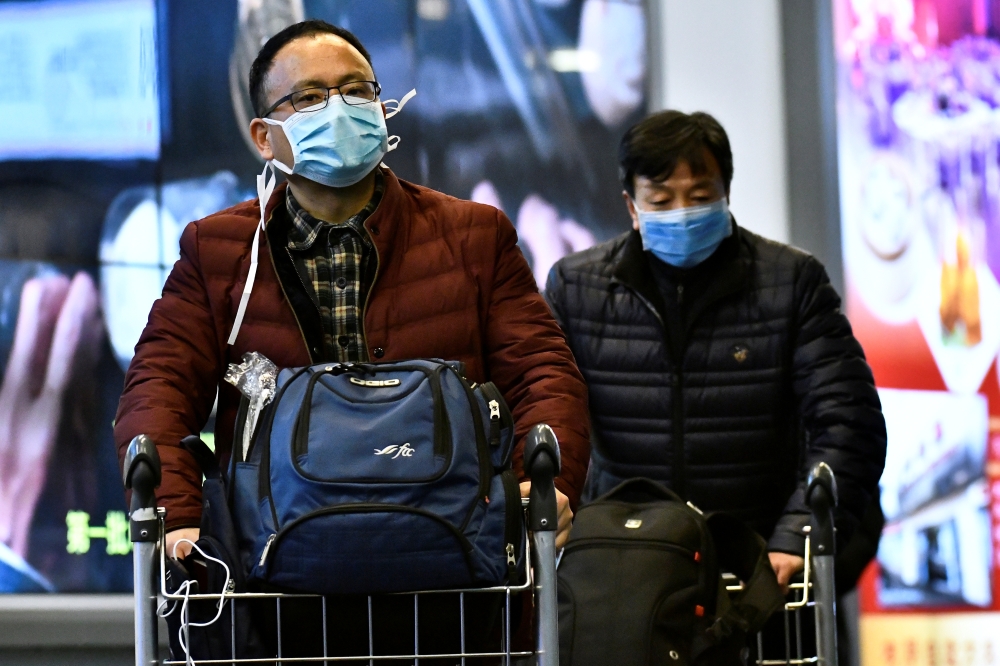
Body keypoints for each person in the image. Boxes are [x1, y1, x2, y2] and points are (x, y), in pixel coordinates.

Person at [114, 17, 587, 597]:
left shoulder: (473, 236)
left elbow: (543, 371)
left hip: (449, 570)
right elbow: (157, 390)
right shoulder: (219, 252)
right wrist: (177, 516)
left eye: (357, 90)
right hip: (277, 575)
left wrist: (547, 486)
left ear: (383, 107)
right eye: (309, 96)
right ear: (265, 136)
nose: (339, 108)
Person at [544, 110, 886, 592]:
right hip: (627, 575)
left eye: (700, 197)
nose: (682, 213)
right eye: (661, 200)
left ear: (726, 194)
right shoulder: (577, 290)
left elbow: (849, 421)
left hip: (761, 574)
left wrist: (797, 536)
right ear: (631, 206)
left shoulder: (790, 283)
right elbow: (545, 419)